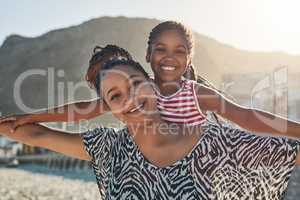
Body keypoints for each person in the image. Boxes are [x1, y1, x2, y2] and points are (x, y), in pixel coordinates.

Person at [0, 58, 300, 199]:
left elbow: (292, 152)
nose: (130, 97)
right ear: (108, 108)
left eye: (135, 85)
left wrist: (119, 100)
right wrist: (24, 118)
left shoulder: (215, 142)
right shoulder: (110, 149)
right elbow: (29, 133)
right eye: (116, 96)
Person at [1, 21, 300, 137]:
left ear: (189, 59)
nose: (169, 58)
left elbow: (245, 115)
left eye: (179, 51)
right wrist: (28, 117)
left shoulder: (196, 94)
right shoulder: (140, 92)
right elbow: (81, 110)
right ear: (147, 54)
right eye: (161, 50)